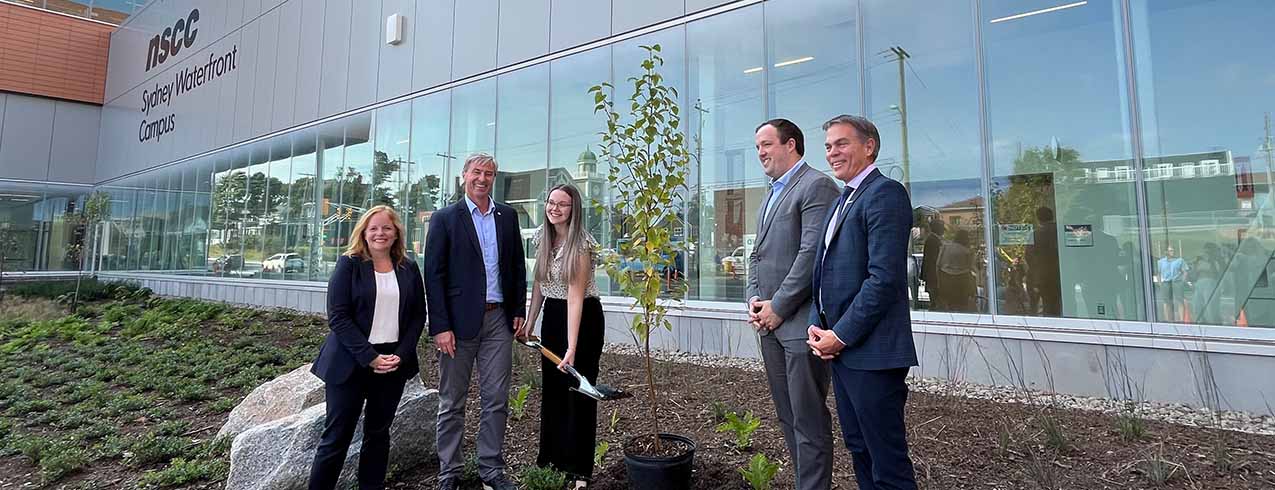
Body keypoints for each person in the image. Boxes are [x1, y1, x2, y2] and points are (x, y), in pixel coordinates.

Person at [806, 115, 919, 490]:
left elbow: (883, 279)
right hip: (841, 351)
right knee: (859, 449)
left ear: (869, 146)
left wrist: (840, 334)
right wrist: (816, 322)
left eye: (841, 143)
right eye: (828, 146)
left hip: (872, 354)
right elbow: (822, 271)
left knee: (887, 462)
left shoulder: (885, 193)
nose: (832, 153)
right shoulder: (843, 200)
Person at [744, 118, 840, 490]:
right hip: (768, 324)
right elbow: (758, 255)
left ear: (792, 144)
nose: (761, 153)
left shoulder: (816, 185)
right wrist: (754, 299)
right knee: (787, 416)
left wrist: (778, 306)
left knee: (809, 419)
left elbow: (811, 254)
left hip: (800, 325)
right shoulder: (771, 193)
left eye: (766, 144)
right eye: (757, 147)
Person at [424, 153, 526, 490]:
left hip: (498, 320)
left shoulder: (507, 217)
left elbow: (516, 268)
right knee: (452, 401)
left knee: (496, 397)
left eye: (490, 174)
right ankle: (449, 472)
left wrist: (518, 310)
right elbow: (434, 276)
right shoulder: (444, 218)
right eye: (477, 173)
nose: (482, 179)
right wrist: (440, 326)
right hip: (457, 324)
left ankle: (490, 469)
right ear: (464, 175)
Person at [308, 205, 426, 490]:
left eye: (386, 227)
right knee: (337, 436)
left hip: (393, 363)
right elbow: (338, 317)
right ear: (363, 232)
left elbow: (417, 316)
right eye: (373, 228)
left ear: (396, 232)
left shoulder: (408, 267)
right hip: (351, 360)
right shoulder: (349, 264)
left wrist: (402, 353)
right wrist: (369, 357)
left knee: (378, 434)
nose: (380, 233)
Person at [519, 184, 605, 489]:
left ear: (574, 209)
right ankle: (551, 460)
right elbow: (540, 285)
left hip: (583, 320)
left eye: (563, 204)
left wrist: (572, 346)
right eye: (551, 202)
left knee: (578, 393)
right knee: (554, 391)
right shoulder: (543, 238)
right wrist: (530, 322)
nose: (555, 208)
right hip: (554, 319)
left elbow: (575, 296)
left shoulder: (581, 244)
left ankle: (579, 468)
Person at [1156, 245, 1188, 322]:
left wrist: (1182, 282)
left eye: (1173, 250)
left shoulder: (1179, 260)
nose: (1172, 252)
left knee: (1180, 301)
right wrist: (1160, 283)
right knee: (1166, 302)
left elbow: (1185, 271)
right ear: (1166, 252)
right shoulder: (1161, 262)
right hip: (1166, 282)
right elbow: (1158, 273)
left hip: (1176, 282)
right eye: (1170, 251)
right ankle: (1168, 320)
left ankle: (1181, 320)